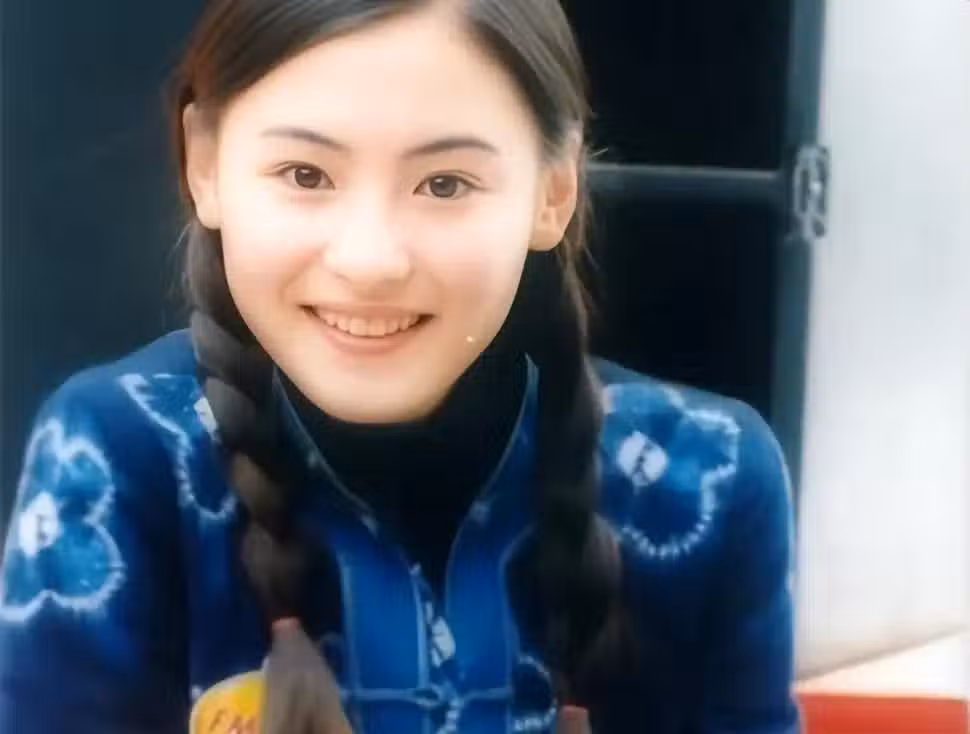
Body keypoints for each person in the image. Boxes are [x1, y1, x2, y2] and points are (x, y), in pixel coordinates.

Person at [0, 1, 800, 732]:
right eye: (306, 175)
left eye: (444, 183)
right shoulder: (118, 453)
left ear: (553, 192)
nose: (370, 258)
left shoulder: (704, 476)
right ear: (204, 165)